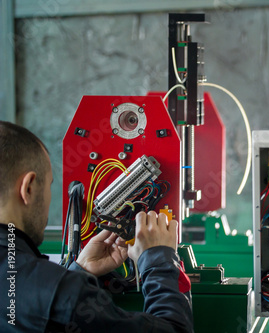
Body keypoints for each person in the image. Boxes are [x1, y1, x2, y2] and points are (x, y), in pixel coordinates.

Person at [0, 121, 193, 333]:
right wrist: (159, 261)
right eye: (49, 185)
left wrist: (78, 274)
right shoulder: (55, 291)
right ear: (28, 187)